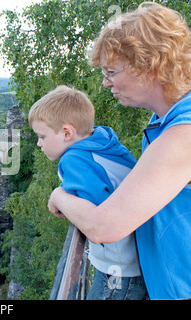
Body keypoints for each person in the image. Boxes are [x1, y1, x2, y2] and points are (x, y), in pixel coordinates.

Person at [47, 2, 191, 300]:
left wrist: (59, 195)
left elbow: (103, 227)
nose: (105, 82)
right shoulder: (164, 120)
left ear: (149, 66)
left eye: (111, 71)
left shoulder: (183, 134)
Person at [28, 85, 146, 300]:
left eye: (42, 136)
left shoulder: (74, 160)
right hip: (140, 258)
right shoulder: (104, 143)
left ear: (66, 133)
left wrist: (60, 197)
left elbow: (96, 216)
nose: (38, 144)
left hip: (119, 267)